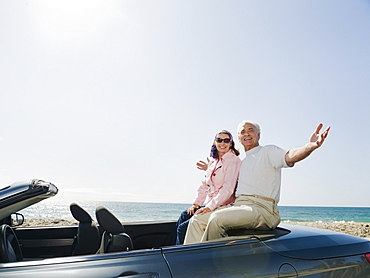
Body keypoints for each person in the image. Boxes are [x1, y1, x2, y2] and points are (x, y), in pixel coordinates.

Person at [184, 121, 330, 244]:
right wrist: (209, 169)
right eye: (243, 132)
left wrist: (310, 146)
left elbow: (290, 156)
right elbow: (222, 179)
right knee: (197, 219)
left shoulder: (267, 151)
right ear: (239, 139)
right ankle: (186, 260)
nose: (247, 134)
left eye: (251, 130)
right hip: (240, 206)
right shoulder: (241, 161)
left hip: (262, 208)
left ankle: (205, 263)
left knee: (216, 219)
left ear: (258, 135)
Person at [175, 130, 241, 245]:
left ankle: (179, 253)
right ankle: (170, 250)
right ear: (215, 142)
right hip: (211, 203)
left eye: (226, 140)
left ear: (231, 143)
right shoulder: (213, 161)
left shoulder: (233, 160)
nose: (222, 143)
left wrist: (210, 207)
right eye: (219, 140)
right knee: (184, 215)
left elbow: (228, 188)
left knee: (183, 228)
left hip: (223, 205)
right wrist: (197, 204)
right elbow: (204, 184)